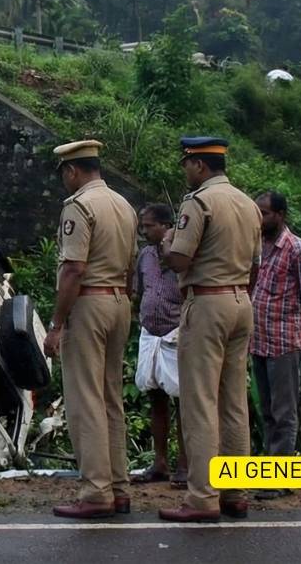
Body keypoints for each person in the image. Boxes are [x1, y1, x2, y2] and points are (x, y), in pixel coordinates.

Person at [157, 136, 259, 523]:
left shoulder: (198, 202)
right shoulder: (248, 203)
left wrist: (167, 243)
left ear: (199, 165)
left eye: (187, 164)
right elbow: (256, 263)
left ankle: (202, 497)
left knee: (200, 402)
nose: (184, 171)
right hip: (239, 300)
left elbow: (180, 259)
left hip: (207, 301)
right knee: (234, 403)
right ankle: (235, 491)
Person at [42, 139, 138, 519]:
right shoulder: (124, 205)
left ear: (72, 171)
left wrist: (56, 324)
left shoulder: (78, 206)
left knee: (85, 400)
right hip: (119, 302)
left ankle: (96, 491)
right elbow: (131, 266)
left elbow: (73, 270)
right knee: (111, 397)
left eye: (65, 174)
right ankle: (118, 486)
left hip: (90, 303)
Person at [249, 191, 301, 500]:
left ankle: (281, 477)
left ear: (280, 215)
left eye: (264, 213)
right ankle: (271, 472)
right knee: (267, 410)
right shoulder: (258, 246)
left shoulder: (296, 250)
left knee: (284, 412)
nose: (259, 219)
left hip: (284, 341)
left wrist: (297, 325)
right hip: (259, 340)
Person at [132, 203, 186, 489]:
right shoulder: (145, 256)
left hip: (175, 333)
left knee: (183, 402)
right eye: (142, 225)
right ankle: (160, 462)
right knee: (155, 397)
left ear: (166, 226)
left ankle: (185, 464)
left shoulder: (181, 256)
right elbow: (139, 290)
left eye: (150, 225)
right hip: (150, 333)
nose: (144, 230)